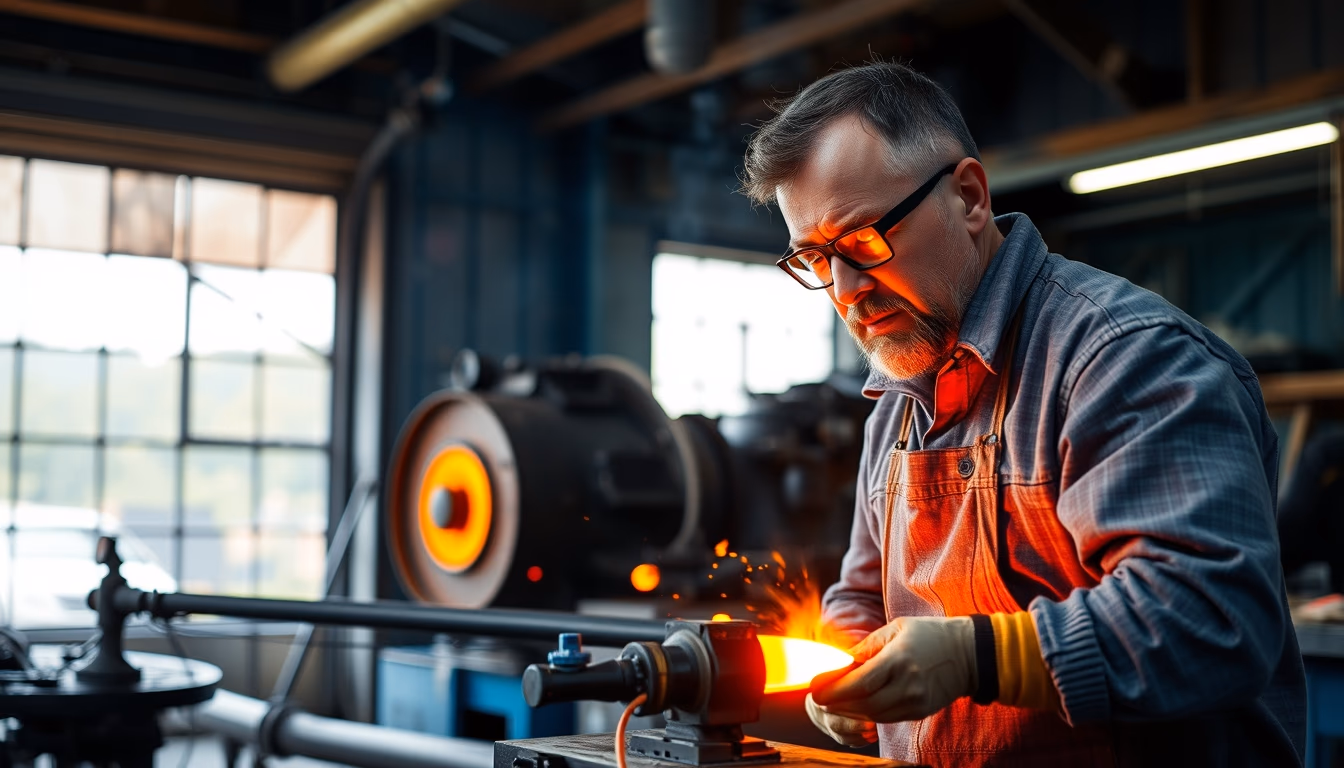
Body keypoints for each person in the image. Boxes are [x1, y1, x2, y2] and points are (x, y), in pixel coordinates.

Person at [740, 62, 1305, 766]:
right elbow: (861, 595)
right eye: (816, 259)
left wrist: (979, 657)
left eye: (861, 243)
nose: (847, 290)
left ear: (969, 198)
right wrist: (850, 673)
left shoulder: (1122, 358)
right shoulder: (898, 401)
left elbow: (1212, 618)